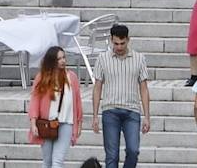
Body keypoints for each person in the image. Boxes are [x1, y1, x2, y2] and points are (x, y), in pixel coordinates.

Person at [89, 24, 150, 168]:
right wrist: (95, 115)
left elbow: (144, 88)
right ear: (111, 40)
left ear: (128, 40)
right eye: (116, 43)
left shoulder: (139, 58)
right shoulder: (103, 59)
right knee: (112, 155)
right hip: (110, 110)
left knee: (133, 150)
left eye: (122, 43)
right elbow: (97, 87)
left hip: (132, 110)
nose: (119, 47)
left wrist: (147, 116)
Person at [27, 46, 83, 168]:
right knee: (47, 161)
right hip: (47, 123)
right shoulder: (42, 77)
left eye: (64, 57)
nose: (63, 61)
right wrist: (33, 122)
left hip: (66, 123)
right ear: (52, 61)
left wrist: (79, 122)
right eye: (59, 59)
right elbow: (35, 101)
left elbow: (77, 101)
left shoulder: (71, 77)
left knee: (57, 161)